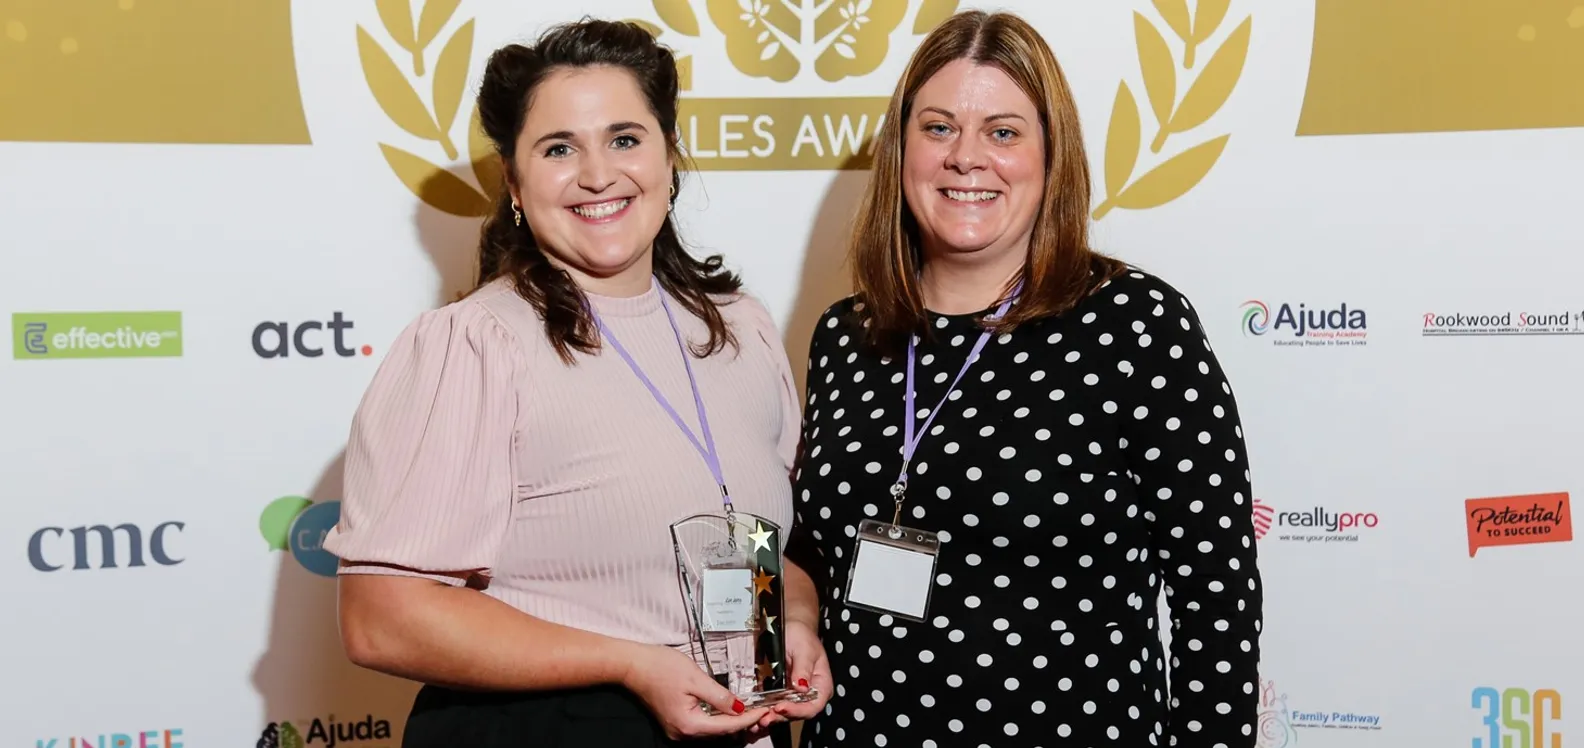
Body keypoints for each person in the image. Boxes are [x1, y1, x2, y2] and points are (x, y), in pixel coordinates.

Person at [321, 18, 831, 748]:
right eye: (559, 148)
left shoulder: (738, 329)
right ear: (515, 183)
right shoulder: (476, 344)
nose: (598, 174)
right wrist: (633, 664)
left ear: (668, 155)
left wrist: (797, 623)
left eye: (625, 138)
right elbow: (381, 617)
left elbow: (752, 541)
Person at [781, 10, 1263, 747]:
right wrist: (797, 619)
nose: (965, 157)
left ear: (1050, 155)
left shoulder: (1134, 325)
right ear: (900, 149)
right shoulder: (848, 334)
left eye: (1002, 132)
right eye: (938, 128)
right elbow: (816, 543)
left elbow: (1214, 594)